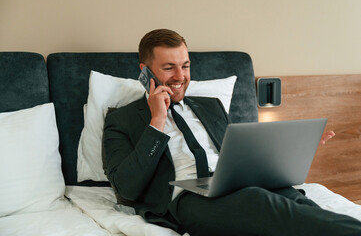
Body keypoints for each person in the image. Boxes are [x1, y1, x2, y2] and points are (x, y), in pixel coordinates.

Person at [103, 29, 360, 236]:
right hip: (188, 199)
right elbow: (127, 188)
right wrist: (157, 121)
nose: (180, 76)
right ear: (144, 71)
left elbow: (243, 155)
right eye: (169, 67)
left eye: (186, 65)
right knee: (259, 200)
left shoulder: (210, 106)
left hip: (235, 183)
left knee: (298, 202)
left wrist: (297, 149)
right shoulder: (121, 119)